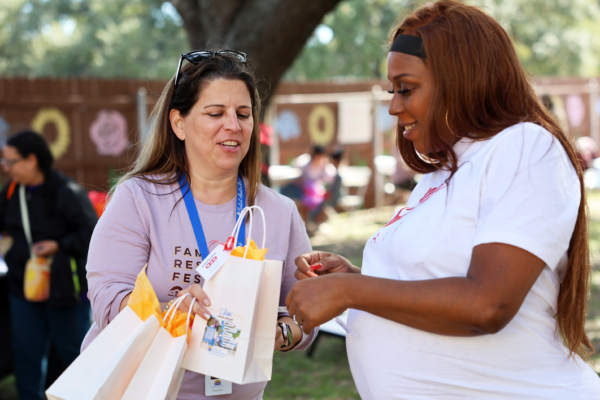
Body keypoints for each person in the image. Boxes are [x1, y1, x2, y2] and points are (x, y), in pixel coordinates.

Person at [286, 1, 600, 399]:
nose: (394, 106)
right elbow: (430, 289)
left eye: (406, 88)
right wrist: (355, 279)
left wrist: (352, 291)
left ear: (461, 79)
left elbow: (488, 303)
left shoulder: (524, 146)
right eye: (392, 90)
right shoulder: (444, 171)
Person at [83, 50, 317, 400]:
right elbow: (106, 301)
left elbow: (305, 313)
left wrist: (280, 332)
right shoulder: (137, 198)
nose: (233, 126)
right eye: (215, 113)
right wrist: (173, 313)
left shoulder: (279, 211)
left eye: (243, 114)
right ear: (178, 123)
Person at [0, 130, 97, 400]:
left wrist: (59, 245)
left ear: (32, 160)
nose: (5, 167)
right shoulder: (11, 192)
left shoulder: (67, 192)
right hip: (24, 289)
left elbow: (92, 233)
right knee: (26, 354)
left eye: (10, 161)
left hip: (64, 290)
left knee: (74, 354)